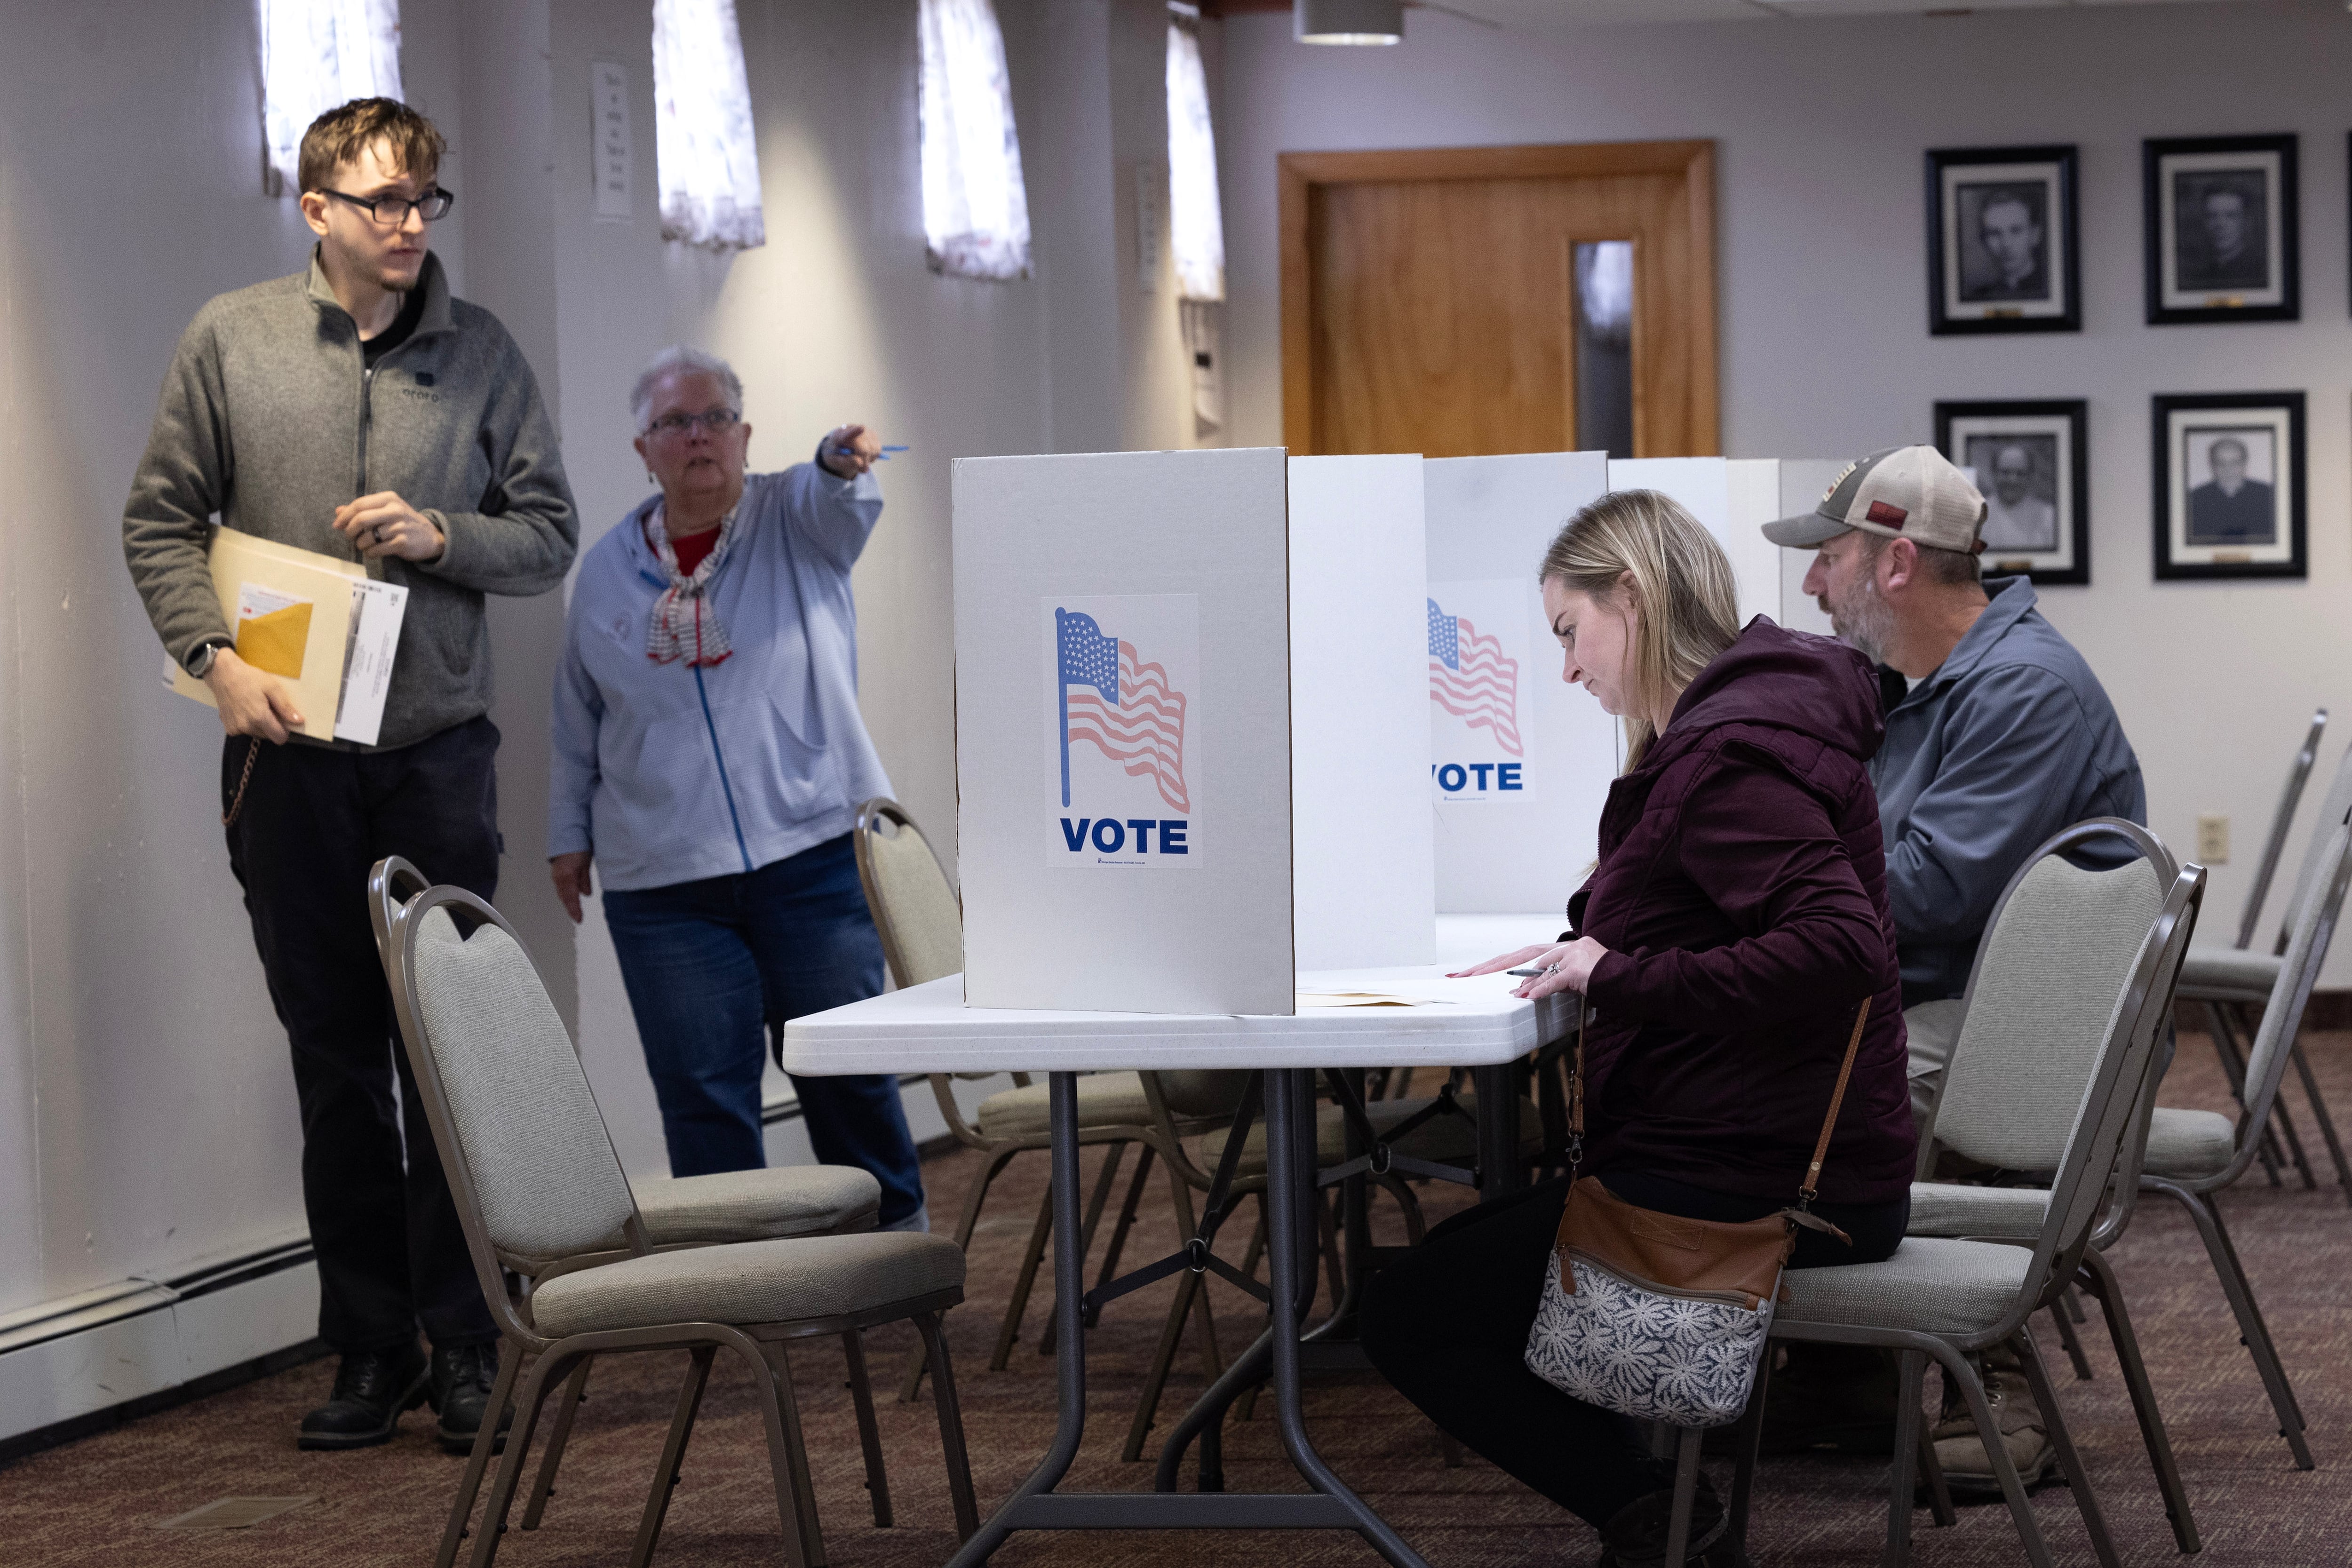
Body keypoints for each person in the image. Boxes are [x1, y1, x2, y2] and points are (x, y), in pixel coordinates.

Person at [121, 99, 578, 1451]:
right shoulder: (232, 337)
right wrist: (214, 659)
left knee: (448, 1054)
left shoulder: (480, 350)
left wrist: (443, 534)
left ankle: (467, 1341)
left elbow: (548, 532)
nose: (409, 225)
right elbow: (159, 517)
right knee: (336, 1061)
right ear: (314, 207)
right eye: (382, 201)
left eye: (426, 199)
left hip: (436, 752)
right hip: (288, 753)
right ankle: (368, 1346)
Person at [1362, 491, 1913, 1568]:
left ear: (1633, 594)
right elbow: (1709, 898)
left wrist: (1621, 970)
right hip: (1780, 1143)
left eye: (1570, 633)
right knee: (1453, 1269)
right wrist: (1592, 935)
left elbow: (1840, 948)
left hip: (1772, 1177)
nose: (1567, 670)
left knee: (1408, 1313)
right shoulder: (1737, 727)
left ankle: (1659, 1518)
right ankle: (1658, 1505)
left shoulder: (1728, 752)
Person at [1764, 444, 2143, 1492]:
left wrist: (1760, 879)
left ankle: (1983, 1372)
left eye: (1826, 557)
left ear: (1894, 565)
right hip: (1955, 998)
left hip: (2009, 1040)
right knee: (1769, 1077)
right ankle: (1848, 1373)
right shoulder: (1929, 685)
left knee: (1786, 1104)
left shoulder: (2019, 691)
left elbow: (1925, 893)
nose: (1809, 584)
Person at [549, 346, 926, 1233]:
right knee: (704, 1097)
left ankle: (898, 1257)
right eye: (675, 424)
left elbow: (839, 494)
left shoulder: (794, 520)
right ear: (644, 449)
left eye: (715, 418)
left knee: (847, 1075)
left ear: (746, 435)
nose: (698, 437)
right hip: (664, 884)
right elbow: (576, 717)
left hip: (814, 855)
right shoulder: (606, 571)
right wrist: (567, 832)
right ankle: (738, 1283)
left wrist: (839, 458)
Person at [2186, 435, 2275, 543]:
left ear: (2244, 463)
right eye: (2221, 463)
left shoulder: (2267, 495)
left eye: (2235, 462)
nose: (2228, 469)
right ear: (2212, 465)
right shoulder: (2195, 498)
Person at [2179, 183, 2265, 291]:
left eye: (2231, 216)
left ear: (2247, 222)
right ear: (2204, 222)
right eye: (2212, 216)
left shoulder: (2260, 273)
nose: (2220, 225)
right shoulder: (2197, 278)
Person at [1969, 190, 2046, 301]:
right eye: (1994, 233)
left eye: (2016, 231)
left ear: (2035, 235)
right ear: (1984, 240)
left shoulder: (2051, 288)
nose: (2006, 244)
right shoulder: (1978, 297)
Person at [1979, 443, 2056, 552]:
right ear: (1994, 474)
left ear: (2031, 476)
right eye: (2006, 472)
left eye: (2020, 473)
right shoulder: (1977, 516)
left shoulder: (2049, 517)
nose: (2013, 480)